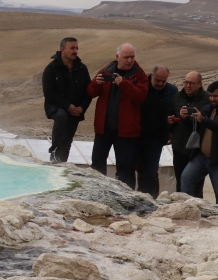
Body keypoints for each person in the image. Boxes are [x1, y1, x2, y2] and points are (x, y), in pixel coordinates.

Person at [86, 43, 148, 188]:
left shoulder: (139, 75)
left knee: (125, 168)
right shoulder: (106, 71)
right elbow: (90, 92)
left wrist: (124, 84)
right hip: (104, 128)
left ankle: (126, 200)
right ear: (117, 57)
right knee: (97, 164)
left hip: (126, 131)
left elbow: (141, 97)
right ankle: (97, 193)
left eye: (132, 57)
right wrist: (96, 83)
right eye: (126, 57)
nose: (130, 60)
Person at [181, 81, 218, 205]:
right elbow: (194, 126)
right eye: (211, 96)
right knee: (186, 178)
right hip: (201, 157)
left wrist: (204, 120)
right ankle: (188, 210)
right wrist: (185, 118)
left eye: (216, 96)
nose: (212, 99)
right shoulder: (207, 108)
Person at [42, 37, 92, 162]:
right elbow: (49, 93)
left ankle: (61, 163)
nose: (75, 51)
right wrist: (67, 106)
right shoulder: (51, 69)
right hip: (56, 107)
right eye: (72, 48)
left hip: (76, 109)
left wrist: (82, 107)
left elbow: (89, 91)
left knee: (68, 139)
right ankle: (54, 154)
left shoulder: (81, 68)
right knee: (63, 117)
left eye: (77, 48)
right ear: (62, 49)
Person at [137, 66, 177, 197]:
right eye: (157, 80)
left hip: (156, 139)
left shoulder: (171, 91)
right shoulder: (141, 86)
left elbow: (174, 111)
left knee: (151, 172)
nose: (160, 84)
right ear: (151, 76)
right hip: (135, 136)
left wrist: (170, 127)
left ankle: (149, 201)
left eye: (163, 81)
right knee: (135, 169)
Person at [169, 72, 209, 195]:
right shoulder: (177, 97)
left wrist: (190, 118)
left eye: (191, 83)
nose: (188, 86)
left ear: (200, 84)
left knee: (196, 184)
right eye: (186, 82)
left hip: (197, 150)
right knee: (180, 182)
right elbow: (170, 116)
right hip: (179, 147)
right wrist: (171, 121)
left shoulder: (207, 99)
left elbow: (206, 125)